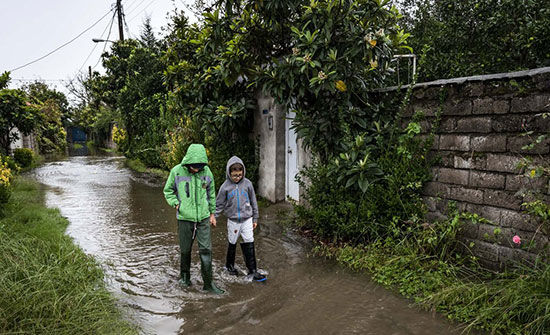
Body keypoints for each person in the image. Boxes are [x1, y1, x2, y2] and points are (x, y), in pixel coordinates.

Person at [163, 143, 224, 294]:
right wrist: (176, 204)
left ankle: (208, 283)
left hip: (203, 218)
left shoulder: (207, 171)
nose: (196, 169)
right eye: (194, 166)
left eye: (199, 166)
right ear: (188, 161)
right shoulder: (177, 171)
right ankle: (185, 278)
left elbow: (211, 193)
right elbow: (168, 190)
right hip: (185, 218)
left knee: (206, 249)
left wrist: (212, 213)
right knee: (185, 250)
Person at [216, 156, 266, 282]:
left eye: (239, 175)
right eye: (234, 175)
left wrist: (255, 217)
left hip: (247, 219)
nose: (237, 177)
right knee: (232, 242)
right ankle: (230, 266)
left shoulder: (248, 184)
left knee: (249, 240)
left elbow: (254, 201)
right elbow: (219, 204)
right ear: (229, 173)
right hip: (233, 221)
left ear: (243, 172)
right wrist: (213, 217)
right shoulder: (225, 187)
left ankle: (253, 270)